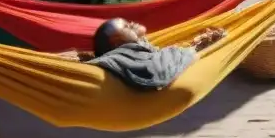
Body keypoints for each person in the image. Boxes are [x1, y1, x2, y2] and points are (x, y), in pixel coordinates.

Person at [90, 18, 226, 90]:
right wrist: (191, 50)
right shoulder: (125, 56)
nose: (131, 23)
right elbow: (157, 69)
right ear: (116, 42)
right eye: (126, 26)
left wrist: (196, 46)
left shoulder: (147, 50)